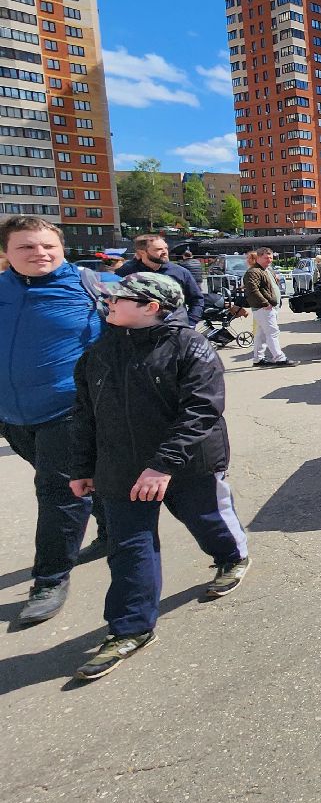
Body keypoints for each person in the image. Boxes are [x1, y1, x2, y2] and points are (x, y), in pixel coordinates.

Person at [69, 272, 249, 680]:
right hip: (121, 469)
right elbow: (84, 415)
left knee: (206, 520)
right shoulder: (97, 353)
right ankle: (130, 630)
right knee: (129, 547)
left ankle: (231, 557)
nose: (108, 302)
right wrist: (81, 467)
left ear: (151, 307)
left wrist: (163, 465)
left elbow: (201, 410)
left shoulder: (191, 346)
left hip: (187, 463)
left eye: (118, 298)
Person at [0, 216, 110, 625]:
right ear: (6, 252)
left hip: (69, 412)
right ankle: (111, 529)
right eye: (26, 247)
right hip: (12, 416)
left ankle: (49, 579)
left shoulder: (90, 287)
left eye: (48, 245)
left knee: (57, 492)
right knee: (74, 483)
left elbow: (151, 321)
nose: (40, 253)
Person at [118, 234, 205, 325]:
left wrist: (190, 323)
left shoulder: (180, 272)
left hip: (173, 328)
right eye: (158, 249)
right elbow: (114, 299)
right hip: (137, 327)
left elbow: (197, 300)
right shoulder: (126, 272)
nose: (165, 252)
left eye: (166, 248)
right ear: (142, 252)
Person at [242, 246, 292, 366]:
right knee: (272, 332)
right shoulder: (253, 272)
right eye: (266, 258)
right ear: (258, 257)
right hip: (263, 308)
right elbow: (252, 290)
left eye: (271, 258)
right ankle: (279, 358)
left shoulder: (265, 270)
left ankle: (258, 359)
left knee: (262, 334)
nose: (269, 260)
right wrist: (265, 303)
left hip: (268, 307)